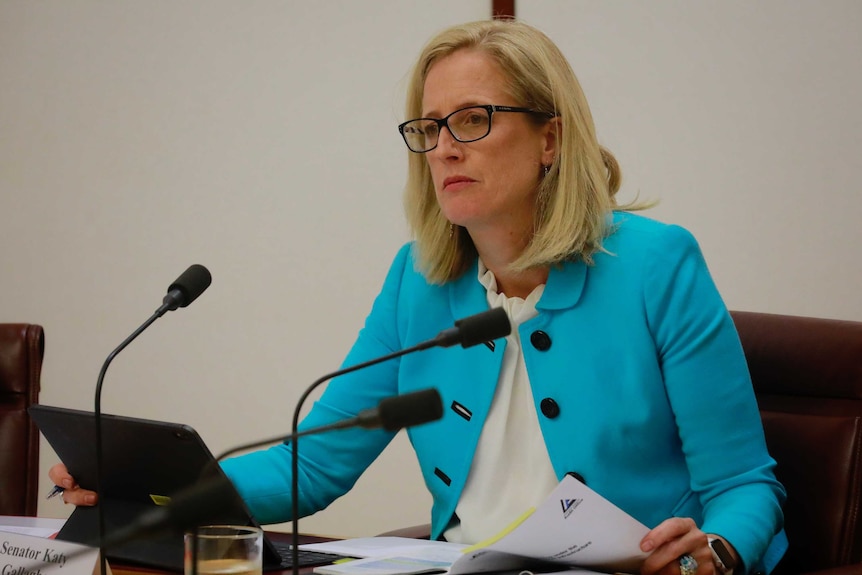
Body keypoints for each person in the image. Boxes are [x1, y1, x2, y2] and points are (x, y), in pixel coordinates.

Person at [50, 19, 786, 575]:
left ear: (550, 139)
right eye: (429, 128)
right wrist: (148, 486)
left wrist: (715, 552)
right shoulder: (420, 278)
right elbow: (313, 463)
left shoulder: (656, 265)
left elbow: (744, 482)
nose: (444, 148)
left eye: (472, 119)